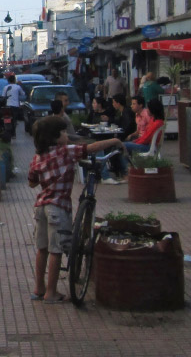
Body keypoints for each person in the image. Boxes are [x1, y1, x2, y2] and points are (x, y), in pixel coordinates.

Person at [27, 115, 122, 303]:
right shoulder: (66, 152)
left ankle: (39, 288)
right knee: (56, 250)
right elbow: (90, 148)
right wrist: (115, 140)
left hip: (41, 207)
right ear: (54, 137)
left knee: (42, 248)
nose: (66, 134)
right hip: (58, 208)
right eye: (63, 132)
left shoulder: (38, 157)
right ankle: (51, 293)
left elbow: (32, 182)